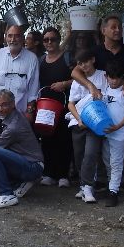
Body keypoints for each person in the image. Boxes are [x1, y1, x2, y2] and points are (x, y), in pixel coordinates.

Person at [66, 49, 107, 204]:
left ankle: (88, 187)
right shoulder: (77, 81)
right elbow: (70, 104)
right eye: (80, 64)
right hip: (78, 122)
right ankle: (83, 186)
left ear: (93, 59)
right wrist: (79, 119)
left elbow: (116, 84)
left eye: (86, 62)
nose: (84, 66)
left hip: (96, 122)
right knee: (79, 155)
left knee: (90, 154)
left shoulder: (103, 76)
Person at [36, 26, 74, 188]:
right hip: (45, 106)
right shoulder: (40, 61)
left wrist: (65, 84)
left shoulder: (67, 58)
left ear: (58, 40)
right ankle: (49, 173)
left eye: (53, 39)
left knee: (64, 139)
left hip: (65, 106)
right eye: (46, 39)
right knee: (47, 139)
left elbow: (81, 77)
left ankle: (63, 174)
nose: (49, 42)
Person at [100, 60, 124, 206]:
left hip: (118, 134)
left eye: (116, 78)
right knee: (107, 161)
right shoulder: (104, 89)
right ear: (106, 76)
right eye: (111, 77)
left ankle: (113, 192)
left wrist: (117, 127)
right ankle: (111, 187)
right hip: (105, 133)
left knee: (116, 162)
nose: (113, 81)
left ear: (122, 78)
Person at [0, 24, 40, 118]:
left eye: (17, 36)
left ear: (23, 38)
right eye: (10, 36)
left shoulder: (32, 59)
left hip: (19, 115)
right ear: (6, 37)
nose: (13, 39)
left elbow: (33, 88)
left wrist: (30, 112)